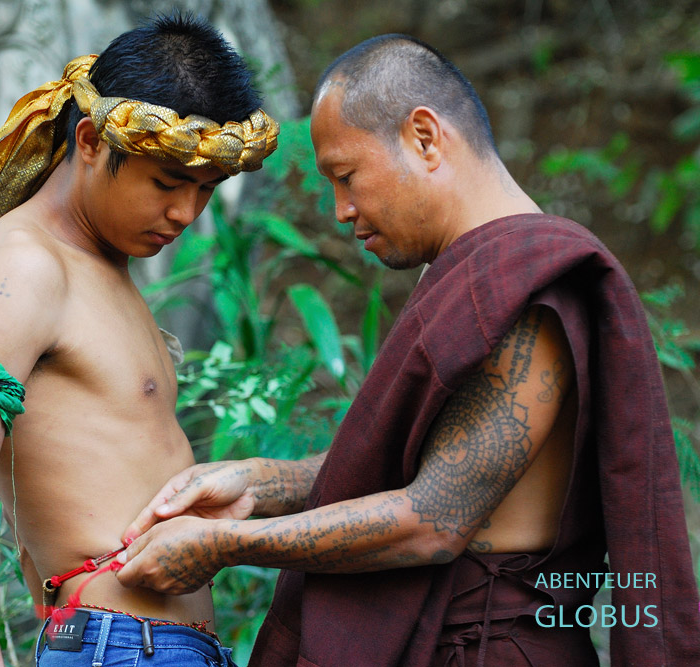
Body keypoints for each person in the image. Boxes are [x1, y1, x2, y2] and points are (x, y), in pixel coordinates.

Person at [115, 34, 700, 665]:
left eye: (346, 176)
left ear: (424, 138)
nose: (341, 210)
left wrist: (227, 543)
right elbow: (418, 471)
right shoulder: (470, 274)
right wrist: (261, 481)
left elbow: (434, 520)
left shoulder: (526, 285)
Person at [0, 13, 278, 666]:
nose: (186, 213)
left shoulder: (100, 265)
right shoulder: (24, 266)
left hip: (161, 646)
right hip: (118, 646)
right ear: (92, 141)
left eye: (205, 190)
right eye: (165, 182)